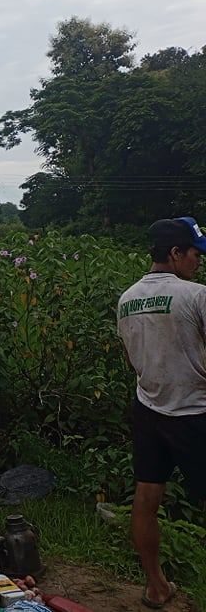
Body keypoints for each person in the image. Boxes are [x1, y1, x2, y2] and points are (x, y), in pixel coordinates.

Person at [117, 217, 206, 608]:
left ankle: (156, 586)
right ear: (175, 253)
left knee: (147, 498)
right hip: (196, 413)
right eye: (194, 254)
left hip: (149, 409)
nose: (198, 262)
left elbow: (131, 359)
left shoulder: (127, 300)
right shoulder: (196, 296)